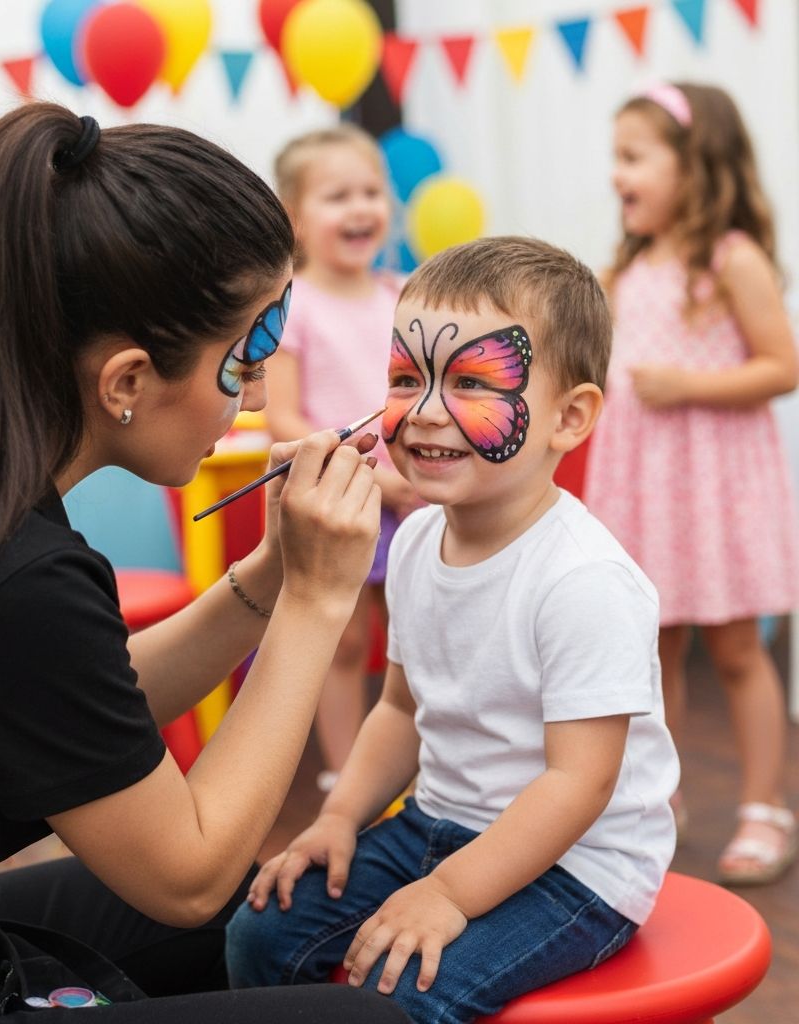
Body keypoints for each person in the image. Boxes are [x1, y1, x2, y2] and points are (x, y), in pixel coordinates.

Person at [0, 103, 415, 1024]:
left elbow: (82, 703)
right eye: (244, 359)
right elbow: (187, 875)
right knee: (365, 1014)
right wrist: (317, 601)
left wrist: (271, 575)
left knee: (275, 902)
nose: (256, 396)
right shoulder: (18, 569)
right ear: (126, 381)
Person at [226, 237, 680, 1024]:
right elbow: (402, 708)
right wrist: (340, 817)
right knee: (260, 933)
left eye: (471, 381)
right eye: (407, 378)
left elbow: (579, 785)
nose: (427, 410)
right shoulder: (411, 541)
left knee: (400, 995)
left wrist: (448, 894)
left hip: (579, 867)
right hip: (435, 825)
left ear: (570, 417)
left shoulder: (584, 580)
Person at [583, 82, 799, 885]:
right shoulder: (628, 270)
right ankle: (657, 801)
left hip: (715, 486)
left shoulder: (731, 259)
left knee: (738, 648)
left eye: (633, 157)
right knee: (653, 647)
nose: (617, 175)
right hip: (644, 485)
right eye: (616, 158)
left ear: (694, 164)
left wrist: (687, 386)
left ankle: (765, 806)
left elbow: (783, 365)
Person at [266, 125, 421, 792]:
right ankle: (345, 773)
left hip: (414, 494)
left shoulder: (403, 293)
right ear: (295, 217)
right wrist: (373, 476)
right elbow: (282, 416)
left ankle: (415, 766)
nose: (360, 208)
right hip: (343, 492)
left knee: (417, 637)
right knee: (346, 639)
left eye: (370, 192)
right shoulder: (293, 306)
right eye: (337, 197)